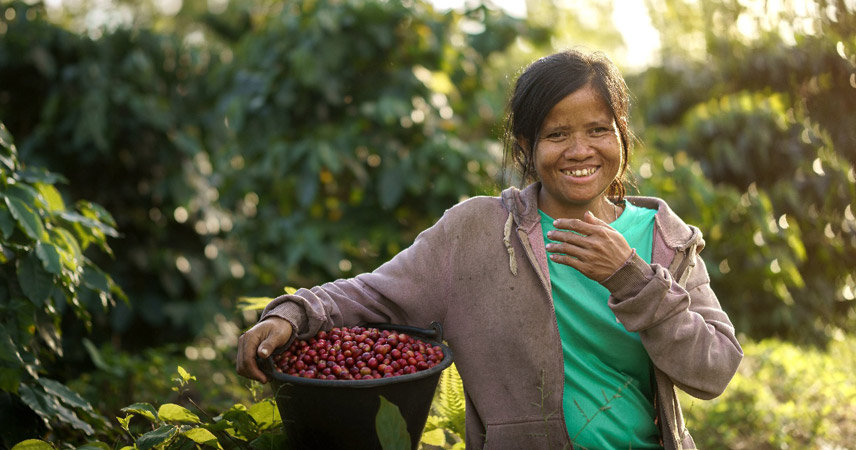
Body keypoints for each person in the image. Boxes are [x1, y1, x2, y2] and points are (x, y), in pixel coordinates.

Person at [236, 49, 743, 450]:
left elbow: (715, 369)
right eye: (557, 134)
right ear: (526, 146)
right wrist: (292, 315)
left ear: (621, 134)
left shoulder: (664, 238)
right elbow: (372, 295)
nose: (581, 150)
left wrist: (631, 279)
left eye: (598, 130)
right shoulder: (476, 232)